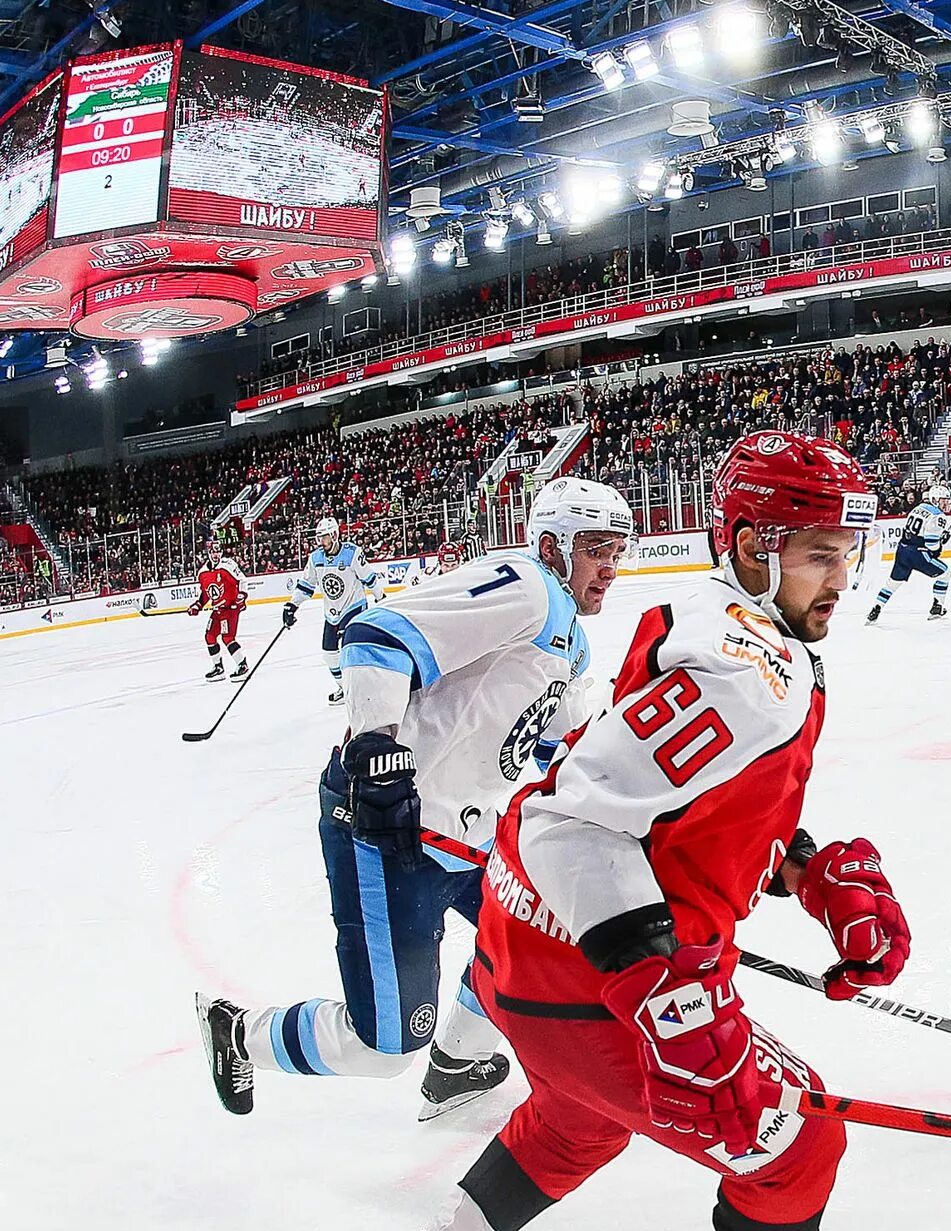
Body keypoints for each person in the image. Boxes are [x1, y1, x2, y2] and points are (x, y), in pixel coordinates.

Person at [357, 430, 905, 1231]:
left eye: (847, 554)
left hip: (526, 951)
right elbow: (572, 819)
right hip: (594, 976)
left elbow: (678, 806)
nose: (841, 579)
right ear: (750, 545)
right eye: (819, 555)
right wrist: (672, 1001)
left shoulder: (713, 619)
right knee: (804, 1135)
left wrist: (808, 875)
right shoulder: (744, 671)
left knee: (580, 1113)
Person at [196, 478, 638, 1122]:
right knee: (384, 1046)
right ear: (553, 545)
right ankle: (237, 1033)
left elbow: (558, 744)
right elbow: (376, 633)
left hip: (467, 832)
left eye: (619, 551)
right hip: (390, 828)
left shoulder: (569, 638)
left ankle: (459, 1060)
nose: (611, 568)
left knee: (537, 939)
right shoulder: (528, 586)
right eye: (599, 549)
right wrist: (376, 745)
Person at [282, 516, 383, 705]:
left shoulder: (352, 553)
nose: (321, 542)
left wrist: (381, 598)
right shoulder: (316, 558)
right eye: (319, 538)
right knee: (329, 654)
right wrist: (292, 605)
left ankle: (364, 686)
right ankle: (344, 687)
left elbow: (369, 578)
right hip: (332, 613)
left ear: (335, 535)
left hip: (354, 608)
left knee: (351, 650)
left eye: (324, 537)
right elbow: (306, 585)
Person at [865, 482, 951, 624]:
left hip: (902, 550)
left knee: (892, 583)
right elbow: (931, 545)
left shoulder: (918, 508)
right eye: (944, 500)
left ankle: (876, 608)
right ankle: (937, 607)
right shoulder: (939, 516)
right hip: (917, 553)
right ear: (935, 499)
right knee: (945, 574)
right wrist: (941, 542)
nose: (946, 504)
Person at [187, 538, 251, 681]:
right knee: (209, 636)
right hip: (218, 609)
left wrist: (242, 595)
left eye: (218, 551)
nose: (216, 555)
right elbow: (206, 593)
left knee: (227, 637)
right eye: (213, 552)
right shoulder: (203, 572)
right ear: (208, 553)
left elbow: (242, 580)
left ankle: (242, 665)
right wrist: (198, 605)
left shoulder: (227, 565)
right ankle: (218, 668)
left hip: (230, 608)